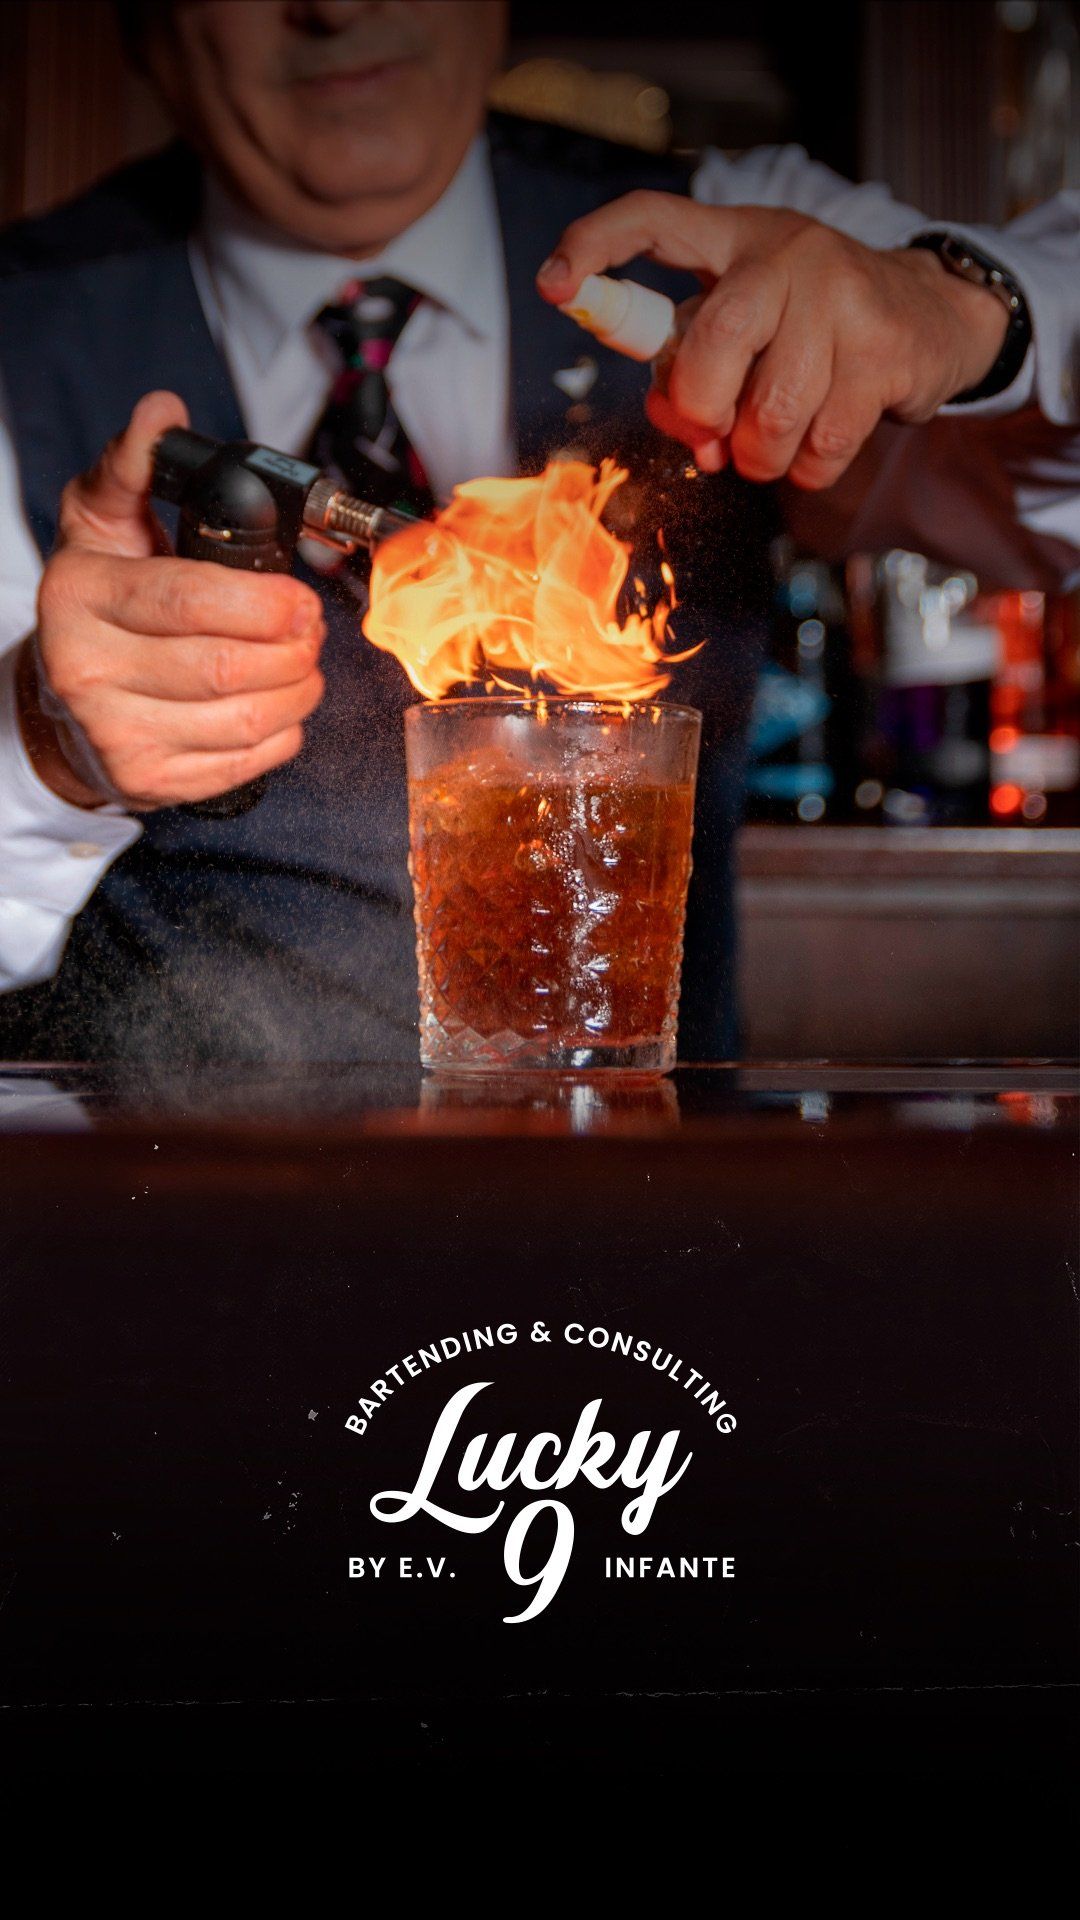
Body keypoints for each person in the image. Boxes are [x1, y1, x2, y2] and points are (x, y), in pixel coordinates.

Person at [0, 0, 1076, 1064]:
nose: (334, 6)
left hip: (636, 1197)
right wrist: (38, 746)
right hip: (191, 1214)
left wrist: (966, 310)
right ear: (147, 29)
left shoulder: (722, 235)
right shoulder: (25, 325)